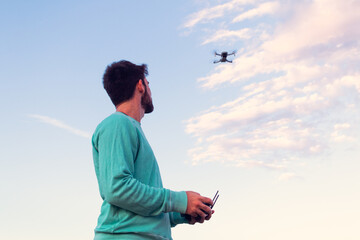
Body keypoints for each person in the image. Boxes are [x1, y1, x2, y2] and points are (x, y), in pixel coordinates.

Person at [92, 60, 214, 240]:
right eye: (149, 84)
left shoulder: (128, 128)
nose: (150, 90)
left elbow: (138, 205)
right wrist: (180, 200)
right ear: (140, 85)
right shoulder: (117, 124)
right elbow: (117, 189)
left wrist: (182, 212)